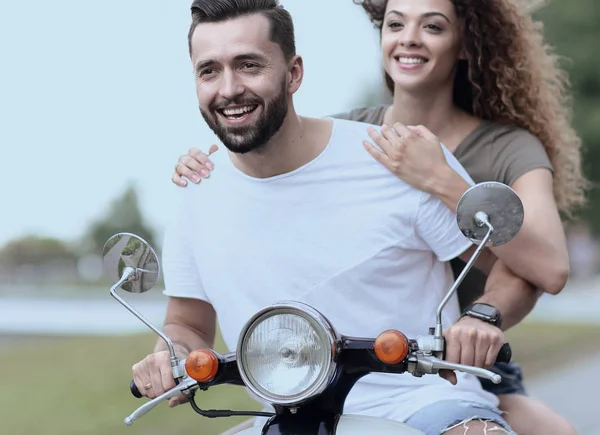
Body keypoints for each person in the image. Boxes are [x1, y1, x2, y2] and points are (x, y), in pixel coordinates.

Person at [170, 0, 586, 434]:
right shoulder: (358, 137)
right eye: (396, 24)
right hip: (300, 403)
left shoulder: (495, 150)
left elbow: (544, 269)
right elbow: (286, 156)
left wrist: (442, 181)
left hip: (448, 364)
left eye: (433, 26)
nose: (230, 88)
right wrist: (208, 174)